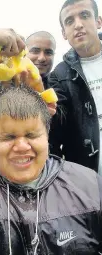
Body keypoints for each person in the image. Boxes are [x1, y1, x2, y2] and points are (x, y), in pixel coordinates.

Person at [0, 85, 102, 255]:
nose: (21, 147)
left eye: (32, 135)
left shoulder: (89, 186)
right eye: (8, 137)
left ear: (47, 133)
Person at [49, 0, 102, 173]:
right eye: (70, 21)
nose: (78, 25)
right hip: (90, 184)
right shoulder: (59, 75)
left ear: (98, 21)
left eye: (85, 15)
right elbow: (55, 129)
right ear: (64, 33)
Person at [0, 31, 56, 105]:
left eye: (48, 53)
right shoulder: (5, 80)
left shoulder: (60, 86)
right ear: (24, 52)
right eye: (35, 51)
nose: (42, 58)